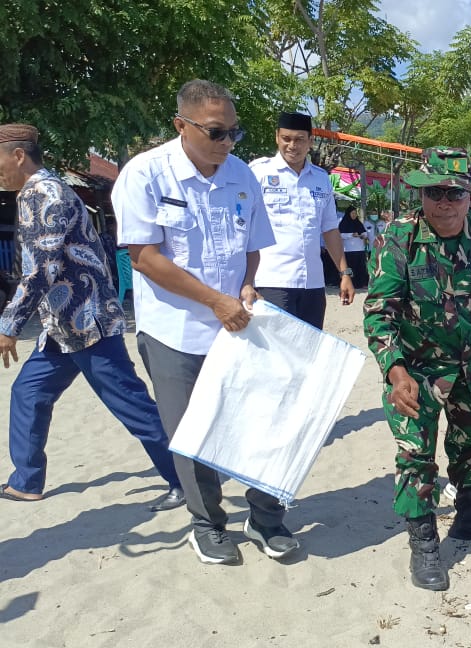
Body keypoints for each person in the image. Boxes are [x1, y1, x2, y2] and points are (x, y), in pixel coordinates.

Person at [111, 79, 285, 564]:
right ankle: (207, 523)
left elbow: (252, 246)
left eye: (235, 133)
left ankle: (265, 516)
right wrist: (214, 301)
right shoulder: (145, 175)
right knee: (192, 434)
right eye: (216, 132)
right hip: (175, 331)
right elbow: (144, 256)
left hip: (236, 324)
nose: (227, 143)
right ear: (181, 126)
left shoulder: (241, 177)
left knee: (257, 424)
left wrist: (248, 286)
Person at [363, 146, 471, 592]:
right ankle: (422, 539)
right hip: (413, 368)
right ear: (422, 194)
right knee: (415, 453)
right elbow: (379, 310)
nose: (445, 203)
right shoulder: (401, 237)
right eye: (435, 192)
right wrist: (394, 369)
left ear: (470, 194)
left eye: (455, 194)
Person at [0, 124, 182, 510]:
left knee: (131, 405)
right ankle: (27, 481)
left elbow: (40, 269)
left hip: (88, 322)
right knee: (28, 394)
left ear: (18, 156)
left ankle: (184, 480)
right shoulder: (34, 193)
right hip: (61, 328)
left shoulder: (44, 194)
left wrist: (8, 326)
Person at [249, 112, 355, 327]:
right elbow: (243, 228)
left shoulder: (321, 179)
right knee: (279, 352)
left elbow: (330, 229)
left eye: (299, 139)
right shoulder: (258, 172)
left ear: (310, 141)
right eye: (286, 139)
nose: (292, 146)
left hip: (313, 283)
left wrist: (344, 273)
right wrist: (246, 282)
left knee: (309, 352)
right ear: (277, 137)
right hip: (272, 281)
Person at [338, 205, 370, 289]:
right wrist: (351, 235)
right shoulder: (343, 223)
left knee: (361, 267)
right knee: (350, 268)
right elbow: (340, 235)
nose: (354, 215)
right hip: (349, 250)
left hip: (359, 249)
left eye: (355, 213)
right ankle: (350, 284)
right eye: (352, 213)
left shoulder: (358, 223)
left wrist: (363, 236)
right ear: (348, 214)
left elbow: (365, 233)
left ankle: (361, 283)